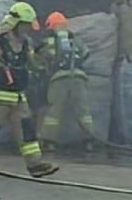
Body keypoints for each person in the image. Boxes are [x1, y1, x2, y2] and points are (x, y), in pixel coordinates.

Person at [0, 1, 58, 178]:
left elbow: (33, 65)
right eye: (24, 25)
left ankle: (35, 164)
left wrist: (42, 55)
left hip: (18, 97)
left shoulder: (26, 43)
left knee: (27, 129)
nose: (27, 29)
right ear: (15, 24)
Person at [36, 11, 96, 154]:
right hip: (79, 77)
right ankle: (90, 140)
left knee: (54, 111)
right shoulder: (74, 38)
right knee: (84, 111)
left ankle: (48, 142)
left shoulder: (48, 40)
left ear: (50, 25)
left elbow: (40, 59)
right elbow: (86, 54)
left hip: (59, 78)